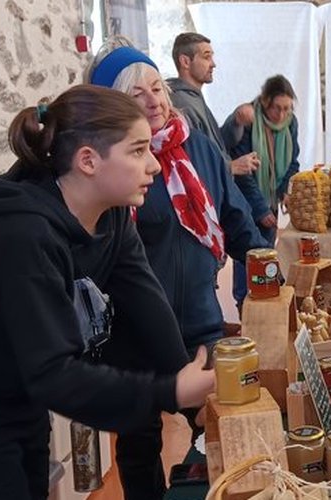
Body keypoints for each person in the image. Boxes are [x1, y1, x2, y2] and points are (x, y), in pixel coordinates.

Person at [0, 85, 218, 500]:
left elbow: (145, 299)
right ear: (88, 160)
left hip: (20, 381)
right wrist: (170, 391)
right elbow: (53, 374)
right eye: (138, 151)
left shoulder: (113, 218)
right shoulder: (24, 235)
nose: (155, 167)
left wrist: (189, 393)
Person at [86, 40, 270, 499]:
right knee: (140, 443)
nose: (153, 101)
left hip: (199, 321)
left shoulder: (200, 148)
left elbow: (233, 216)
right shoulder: (113, 167)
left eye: (156, 87)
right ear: (112, 109)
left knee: (219, 427)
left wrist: (267, 269)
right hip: (134, 333)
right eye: (135, 95)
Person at [221, 75, 301, 311]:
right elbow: (244, 172)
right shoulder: (249, 119)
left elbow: (293, 162)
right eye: (277, 108)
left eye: (287, 108)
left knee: (267, 252)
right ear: (266, 102)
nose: (282, 115)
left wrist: (286, 190)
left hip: (271, 198)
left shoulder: (291, 123)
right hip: (246, 201)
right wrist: (260, 209)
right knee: (247, 255)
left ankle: (264, 306)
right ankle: (243, 307)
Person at [167, 32, 262, 177]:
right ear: (185, 62)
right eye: (206, 57)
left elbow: (213, 145)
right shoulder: (182, 104)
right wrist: (230, 167)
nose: (213, 64)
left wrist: (236, 121)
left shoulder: (194, 98)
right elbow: (191, 162)